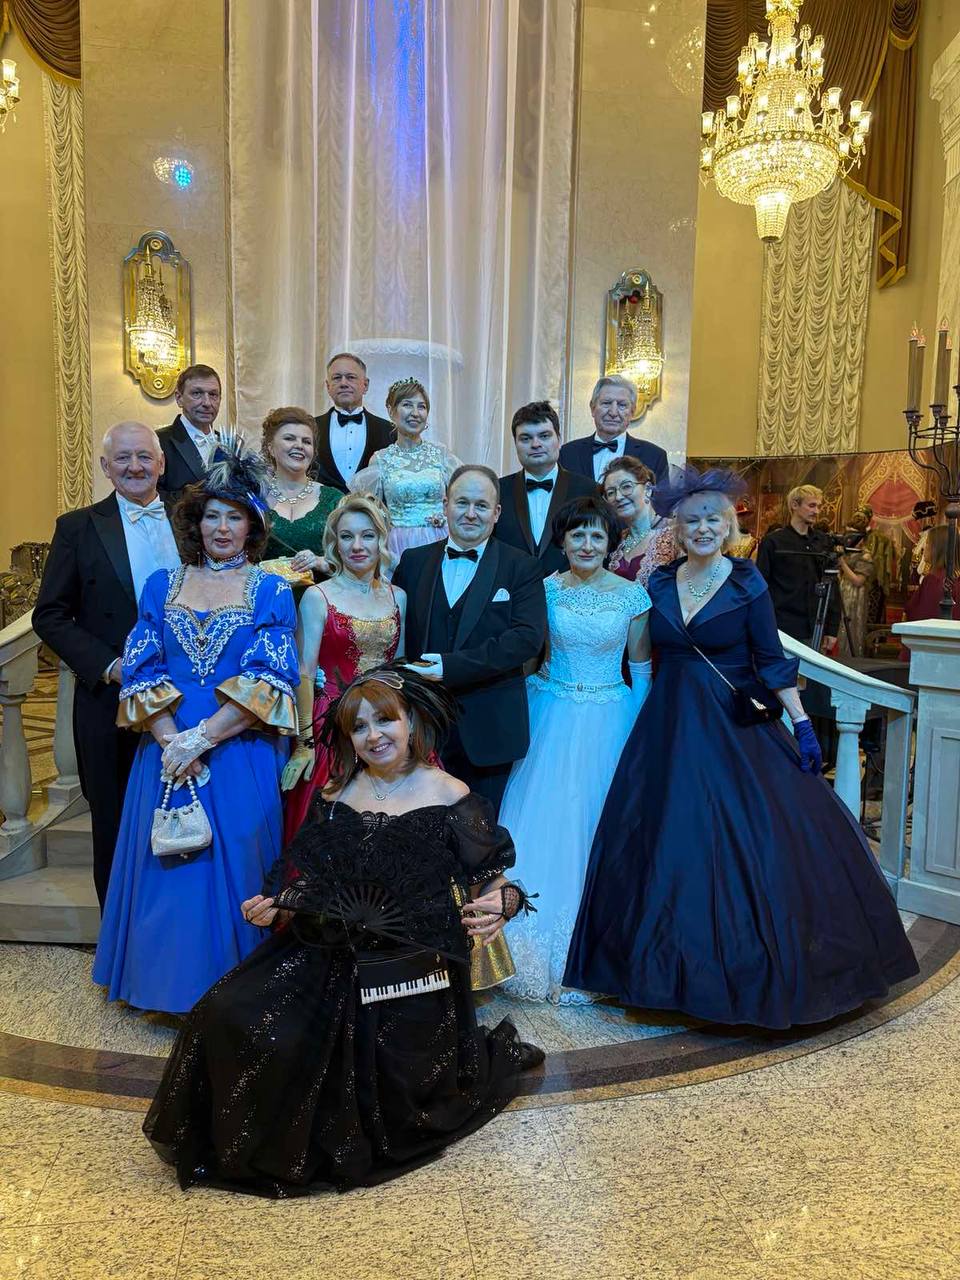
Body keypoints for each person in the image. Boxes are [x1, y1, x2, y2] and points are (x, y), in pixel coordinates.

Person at [143, 666, 543, 1197]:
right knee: (225, 1011)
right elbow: (313, 879)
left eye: (385, 720)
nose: (374, 736)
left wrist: (503, 906)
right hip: (325, 946)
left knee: (355, 1052)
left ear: (410, 722)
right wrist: (278, 906)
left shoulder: (450, 793)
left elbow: (496, 880)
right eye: (359, 727)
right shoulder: (336, 793)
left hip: (409, 965)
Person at [563, 467, 918, 1029]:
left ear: (728, 525)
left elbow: (771, 660)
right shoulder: (659, 583)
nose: (702, 529)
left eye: (712, 519)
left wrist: (801, 722)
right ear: (677, 529)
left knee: (747, 839)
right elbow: (635, 652)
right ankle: (659, 974)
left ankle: (746, 976)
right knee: (664, 839)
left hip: (732, 723)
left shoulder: (747, 582)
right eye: (692, 521)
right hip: (668, 724)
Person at [92, 434, 300, 1015]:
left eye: (234, 516)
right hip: (166, 749)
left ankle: (235, 992)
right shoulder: (162, 585)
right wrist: (173, 742)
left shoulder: (272, 590)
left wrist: (202, 738)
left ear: (252, 526)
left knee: (237, 860)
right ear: (195, 523)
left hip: (238, 748)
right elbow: (141, 670)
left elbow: (270, 680)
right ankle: (163, 988)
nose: (222, 528)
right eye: (212, 516)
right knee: (170, 866)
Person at [499, 497, 651, 1003]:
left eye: (597, 536)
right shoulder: (544, 589)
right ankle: (525, 949)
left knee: (596, 822)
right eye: (577, 535)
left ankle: (597, 952)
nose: (587, 545)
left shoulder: (632, 597)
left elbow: (641, 668)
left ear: (610, 544)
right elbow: (530, 657)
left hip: (610, 715)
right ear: (562, 541)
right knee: (544, 822)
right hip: (551, 710)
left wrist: (642, 728)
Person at [33, 423, 182, 909]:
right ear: (105, 466)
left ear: (161, 463)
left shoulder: (192, 518)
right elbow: (50, 615)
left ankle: (176, 930)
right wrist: (111, 666)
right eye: (123, 458)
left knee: (185, 811)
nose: (135, 467)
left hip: (189, 695)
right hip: (110, 699)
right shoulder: (76, 527)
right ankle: (119, 937)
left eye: (144, 457)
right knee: (115, 824)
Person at [392, 464, 547, 813]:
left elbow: (527, 639)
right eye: (462, 503)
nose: (471, 513)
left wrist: (450, 667)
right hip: (424, 727)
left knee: (480, 832)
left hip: (490, 731)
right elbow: (396, 630)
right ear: (445, 505)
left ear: (497, 513)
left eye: (481, 505)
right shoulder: (413, 562)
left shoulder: (521, 566)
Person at [281, 492, 404, 837]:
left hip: (386, 725)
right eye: (347, 536)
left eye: (368, 535)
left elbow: (400, 672)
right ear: (335, 544)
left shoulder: (398, 597)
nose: (357, 546)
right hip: (332, 727)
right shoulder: (317, 596)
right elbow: (304, 673)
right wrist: (304, 744)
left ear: (381, 540)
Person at [349, 377, 460, 561]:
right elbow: (370, 512)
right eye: (407, 405)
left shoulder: (441, 454)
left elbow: (461, 499)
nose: (415, 413)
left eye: (422, 407)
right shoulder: (380, 459)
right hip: (398, 545)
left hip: (440, 540)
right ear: (391, 411)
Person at [495, 400, 598, 577]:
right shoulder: (497, 490)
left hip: (571, 589)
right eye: (526, 438)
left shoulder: (588, 489)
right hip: (510, 589)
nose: (535, 444)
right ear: (515, 444)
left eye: (544, 436)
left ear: (559, 440)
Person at [756, 484, 839, 651]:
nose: (816, 511)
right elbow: (761, 586)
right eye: (811, 505)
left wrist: (832, 629)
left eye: (818, 506)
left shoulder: (823, 542)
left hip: (814, 626)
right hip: (780, 625)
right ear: (794, 505)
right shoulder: (773, 542)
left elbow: (833, 586)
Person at [259, 406, 341, 575]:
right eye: (289, 438)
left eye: (306, 441)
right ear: (270, 448)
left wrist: (322, 563)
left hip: (321, 590)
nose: (299, 446)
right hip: (264, 591)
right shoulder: (254, 498)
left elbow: (354, 560)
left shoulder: (334, 500)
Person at [558, 375, 668, 485]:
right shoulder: (567, 453)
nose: (613, 413)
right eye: (606, 403)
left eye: (622, 405)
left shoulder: (655, 456)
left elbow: (660, 496)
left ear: (632, 412)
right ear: (592, 408)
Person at [313, 352, 394, 492]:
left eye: (350, 377)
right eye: (337, 378)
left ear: (365, 385)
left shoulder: (389, 430)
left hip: (372, 505)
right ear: (328, 386)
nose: (343, 383)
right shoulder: (310, 428)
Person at [602, 456, 677, 585]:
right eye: (610, 492)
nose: (618, 497)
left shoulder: (676, 534)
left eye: (626, 486)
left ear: (648, 489)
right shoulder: (617, 541)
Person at [157, 364, 223, 501]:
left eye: (213, 395)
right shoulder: (158, 441)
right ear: (179, 398)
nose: (207, 403)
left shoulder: (229, 444)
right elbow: (149, 497)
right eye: (197, 393)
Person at [898, 524, 960, 660]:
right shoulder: (953, 577)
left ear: (937, 549)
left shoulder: (934, 580)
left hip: (930, 653)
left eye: (927, 544)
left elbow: (924, 618)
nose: (924, 548)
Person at [837, 508, 876, 659]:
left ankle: (849, 659)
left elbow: (858, 581)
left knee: (851, 629)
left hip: (855, 595)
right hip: (843, 590)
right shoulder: (848, 551)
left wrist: (842, 563)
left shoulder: (865, 555)